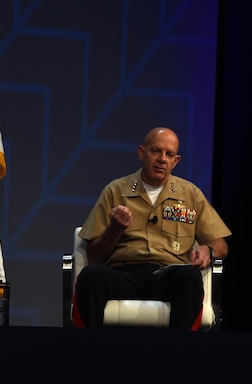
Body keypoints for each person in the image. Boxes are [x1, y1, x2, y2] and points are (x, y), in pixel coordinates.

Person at [73, 127, 231, 330]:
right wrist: (114, 228)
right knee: (90, 276)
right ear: (141, 152)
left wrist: (207, 249)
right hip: (123, 274)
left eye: (169, 154)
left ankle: (180, 355)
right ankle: (87, 354)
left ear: (176, 160)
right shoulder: (115, 191)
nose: (162, 159)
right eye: (156, 151)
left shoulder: (191, 194)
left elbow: (221, 244)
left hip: (167, 275)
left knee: (189, 277)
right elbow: (94, 256)